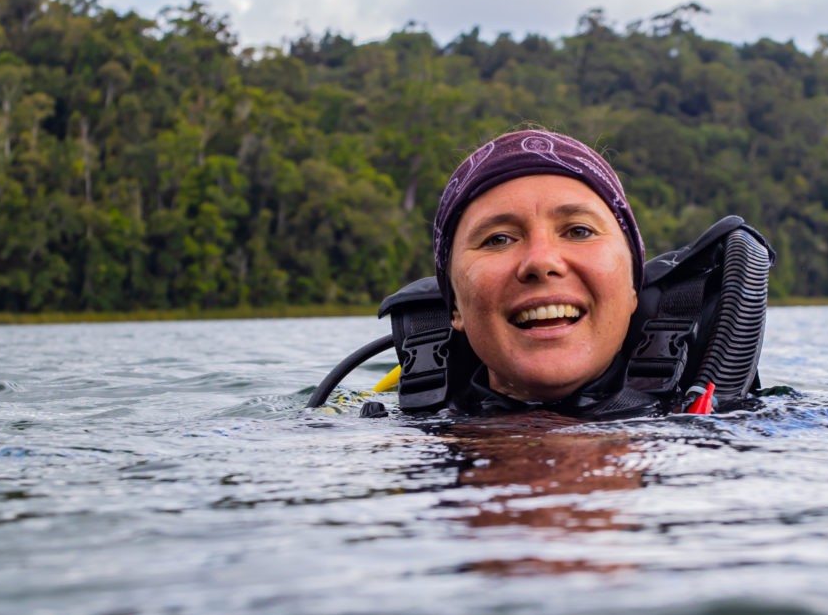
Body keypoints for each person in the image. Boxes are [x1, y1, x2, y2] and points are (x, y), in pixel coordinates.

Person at [309, 130, 774, 419]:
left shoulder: (741, 430)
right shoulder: (376, 440)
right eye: (498, 239)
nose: (541, 261)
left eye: (577, 230)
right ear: (455, 307)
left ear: (633, 287)